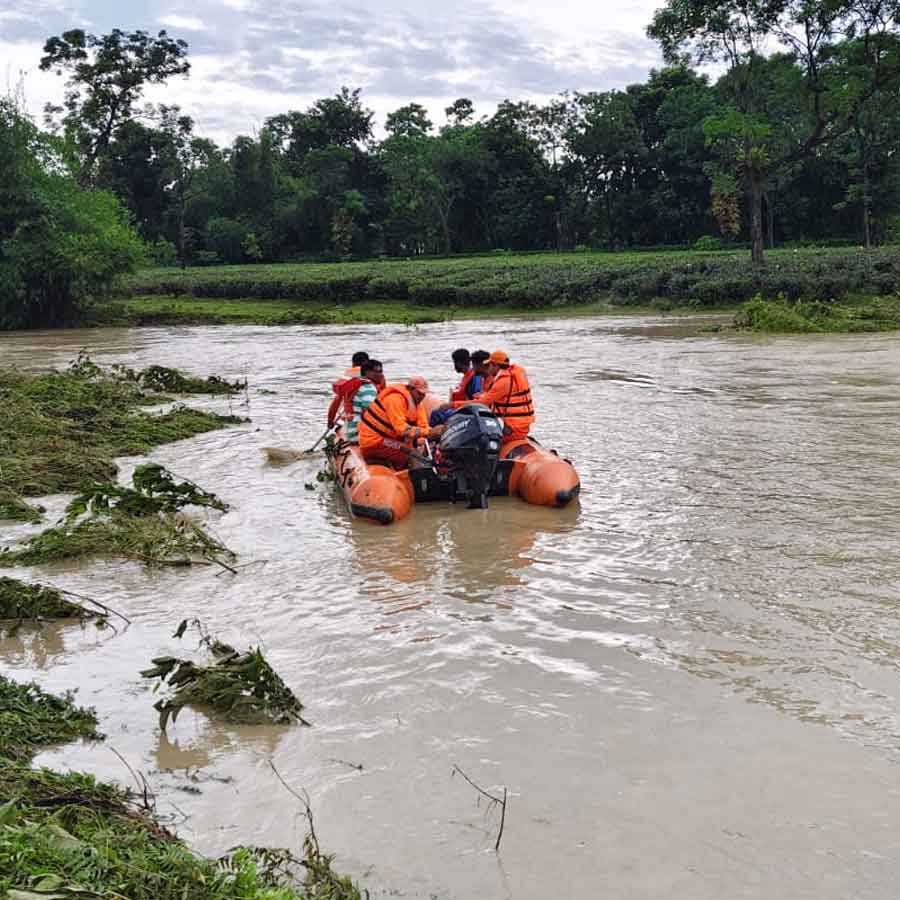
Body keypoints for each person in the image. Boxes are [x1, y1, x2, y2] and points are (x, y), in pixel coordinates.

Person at [359, 376, 445, 468]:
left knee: (418, 448)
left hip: (388, 439)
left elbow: (423, 425)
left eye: (424, 394)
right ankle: (414, 477)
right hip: (375, 440)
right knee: (410, 452)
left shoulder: (417, 403)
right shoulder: (394, 399)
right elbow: (402, 429)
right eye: (420, 393)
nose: (422, 397)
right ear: (410, 389)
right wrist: (429, 432)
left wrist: (436, 433)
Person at [471, 350, 534, 444]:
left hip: (513, 428)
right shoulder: (511, 376)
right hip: (519, 425)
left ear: (495, 365)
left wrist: (453, 405)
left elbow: (483, 403)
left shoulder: (504, 381)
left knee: (479, 441)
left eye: (490, 365)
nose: (488, 368)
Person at [345, 358, 384, 444]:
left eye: (381, 371)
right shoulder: (369, 389)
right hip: (358, 435)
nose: (380, 374)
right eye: (377, 371)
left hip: (351, 431)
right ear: (367, 372)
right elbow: (368, 416)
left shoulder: (357, 384)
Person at [328, 351, 370, 428]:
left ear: (353, 364)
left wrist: (330, 420)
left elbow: (336, 401)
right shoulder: (376, 375)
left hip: (352, 416)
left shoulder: (348, 377)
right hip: (371, 415)